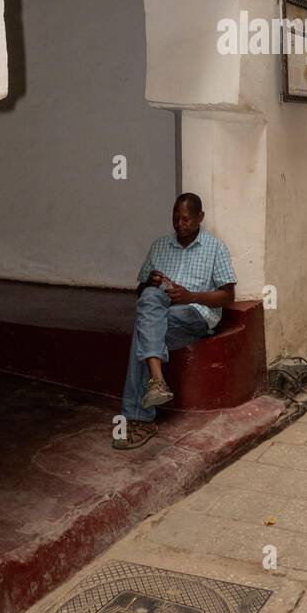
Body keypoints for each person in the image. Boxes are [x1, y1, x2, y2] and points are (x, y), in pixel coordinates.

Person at [113, 193, 236, 451]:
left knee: (144, 328)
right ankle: (156, 383)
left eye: (186, 219)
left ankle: (140, 416)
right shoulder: (159, 245)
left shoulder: (215, 248)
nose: (180, 224)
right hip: (161, 313)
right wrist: (151, 282)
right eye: (175, 219)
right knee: (149, 298)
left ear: (200, 218)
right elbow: (140, 291)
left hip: (194, 315)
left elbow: (228, 296)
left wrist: (190, 296)